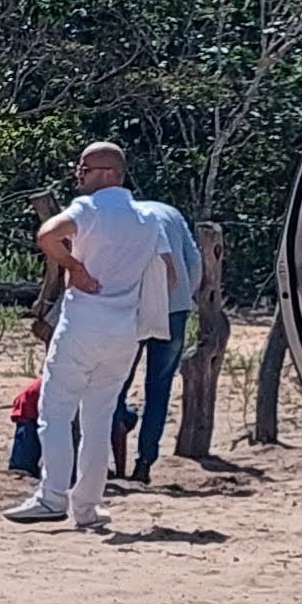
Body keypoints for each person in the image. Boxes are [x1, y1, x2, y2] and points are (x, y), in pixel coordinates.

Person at [13, 141, 153, 531]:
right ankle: (88, 505)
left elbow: (47, 234)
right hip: (124, 330)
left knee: (55, 411)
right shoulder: (146, 220)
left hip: (84, 324)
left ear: (107, 174)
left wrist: (75, 266)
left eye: (85, 168)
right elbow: (168, 273)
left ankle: (52, 496)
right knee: (99, 417)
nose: (79, 173)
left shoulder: (89, 209)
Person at [126, 185, 203, 483]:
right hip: (176, 307)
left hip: (134, 305)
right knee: (159, 387)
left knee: (117, 379)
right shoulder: (171, 213)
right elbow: (194, 261)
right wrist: (184, 295)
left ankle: (121, 425)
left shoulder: (124, 217)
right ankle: (145, 460)